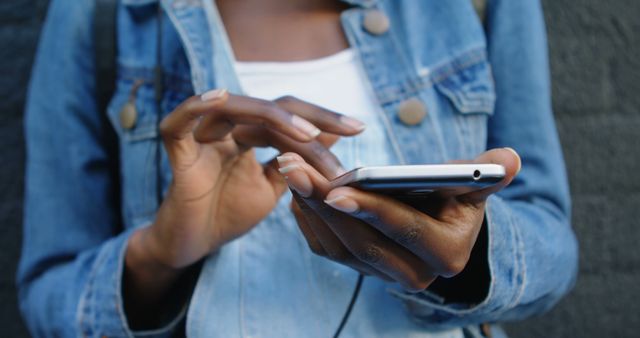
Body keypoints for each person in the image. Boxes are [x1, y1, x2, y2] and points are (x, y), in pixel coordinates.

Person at [17, 0, 578, 337]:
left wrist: (472, 254)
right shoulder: (99, 12)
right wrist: (162, 251)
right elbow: (49, 295)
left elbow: (554, 247)